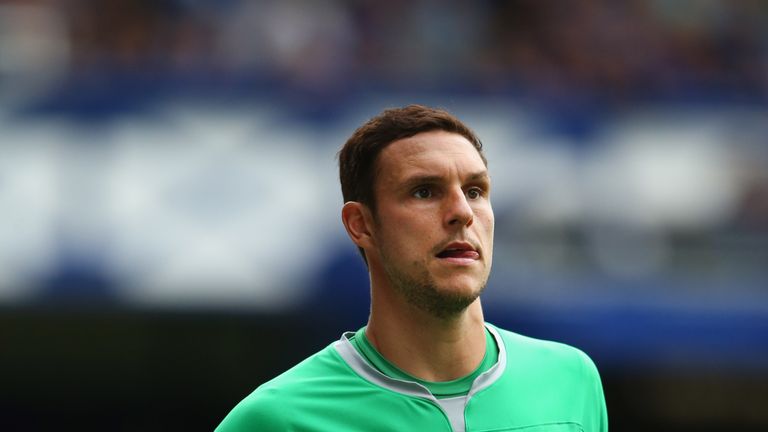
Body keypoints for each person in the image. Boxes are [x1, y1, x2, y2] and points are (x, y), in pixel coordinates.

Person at [216, 105, 608, 431]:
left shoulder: (571, 380)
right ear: (361, 225)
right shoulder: (277, 418)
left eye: (475, 191)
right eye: (424, 191)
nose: (462, 213)